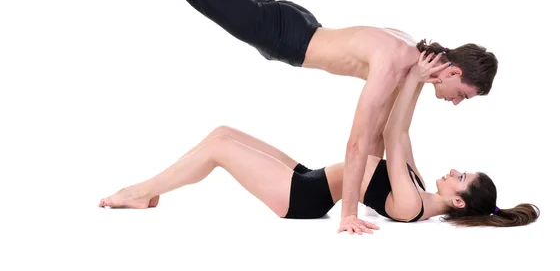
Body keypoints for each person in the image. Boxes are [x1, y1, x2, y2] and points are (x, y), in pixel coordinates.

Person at [28, 0, 499, 234]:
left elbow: (390, 137)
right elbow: (364, 141)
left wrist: (415, 86)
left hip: (300, 27)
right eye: (463, 94)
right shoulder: (400, 67)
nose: (456, 103)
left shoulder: (405, 49)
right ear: (453, 71)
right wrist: (348, 213)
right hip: (288, 41)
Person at [98, 52, 537, 230]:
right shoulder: (418, 185)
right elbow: (396, 133)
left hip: (300, 199)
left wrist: (417, 83)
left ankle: (138, 192)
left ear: (459, 202)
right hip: (308, 176)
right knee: (223, 133)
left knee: (219, 149)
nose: (452, 171)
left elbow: (378, 142)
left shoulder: (412, 206)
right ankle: (146, 191)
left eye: (460, 177)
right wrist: (416, 81)